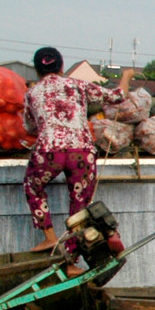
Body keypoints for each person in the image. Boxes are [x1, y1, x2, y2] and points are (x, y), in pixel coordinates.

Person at [22, 47, 133, 256]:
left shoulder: (32, 93)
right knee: (79, 206)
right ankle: (72, 258)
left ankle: (50, 238)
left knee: (32, 186)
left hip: (49, 151)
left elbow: (29, 128)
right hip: (82, 152)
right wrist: (126, 75)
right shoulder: (78, 85)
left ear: (37, 71)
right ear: (62, 66)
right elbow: (118, 96)